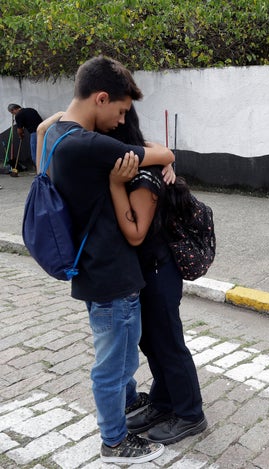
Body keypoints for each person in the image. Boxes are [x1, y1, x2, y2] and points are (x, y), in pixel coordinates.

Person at [38, 56, 175, 464]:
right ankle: (115, 441)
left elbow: (48, 123)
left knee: (120, 353)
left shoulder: (56, 134)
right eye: (120, 111)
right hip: (110, 271)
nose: (120, 120)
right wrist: (165, 160)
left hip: (94, 269)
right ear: (100, 98)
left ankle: (129, 403)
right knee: (113, 364)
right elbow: (163, 154)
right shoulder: (91, 145)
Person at [106, 106, 208, 445]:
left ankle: (191, 413)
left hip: (158, 268)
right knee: (152, 342)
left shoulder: (139, 167)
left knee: (168, 343)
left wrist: (160, 160)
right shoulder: (135, 156)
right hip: (145, 269)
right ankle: (164, 402)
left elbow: (137, 233)